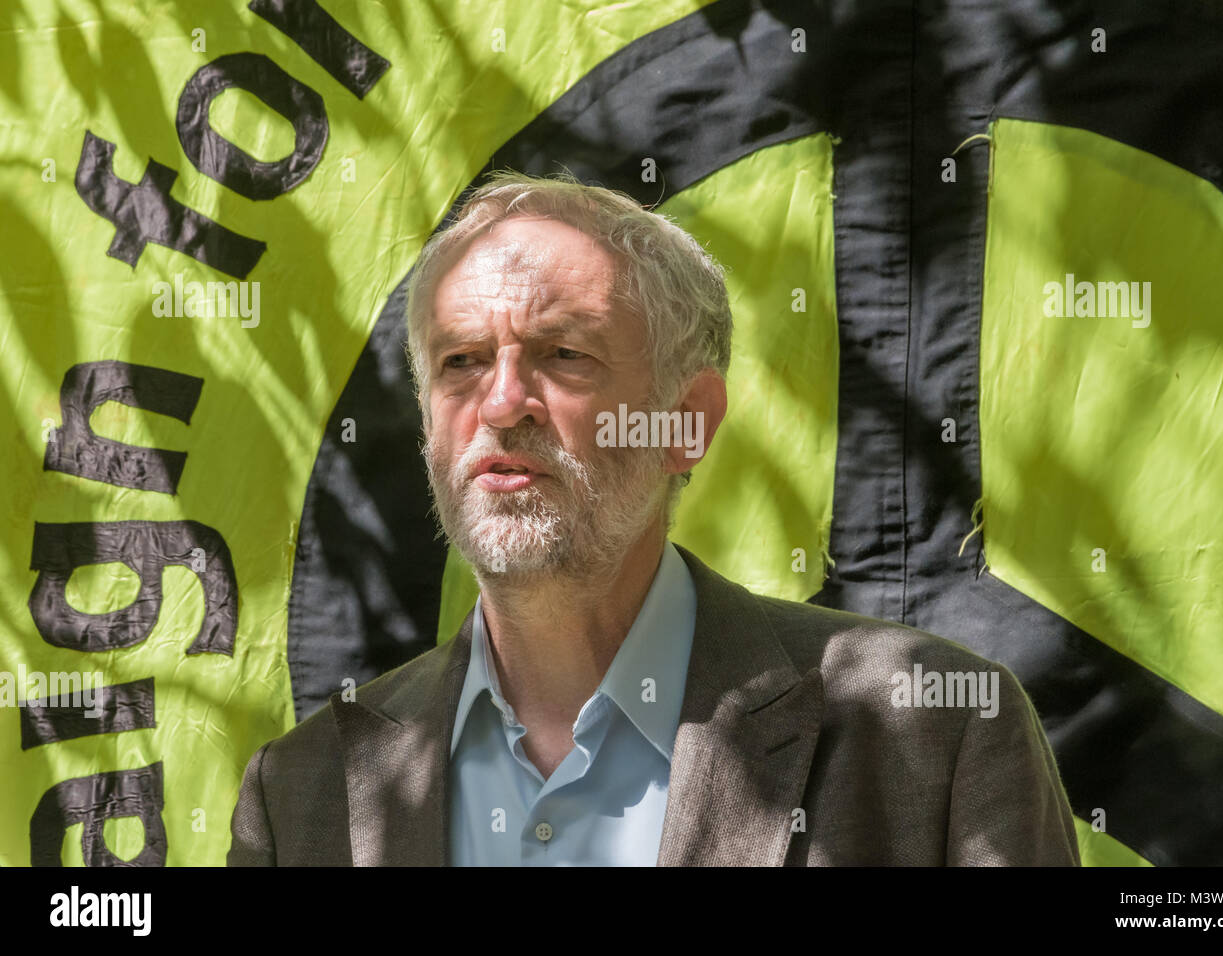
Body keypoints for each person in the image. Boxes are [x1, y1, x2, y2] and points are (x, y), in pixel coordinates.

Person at [227, 171, 1080, 866]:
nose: (502, 403)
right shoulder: (305, 794)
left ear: (688, 421)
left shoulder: (935, 734)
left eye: (564, 355)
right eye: (462, 362)